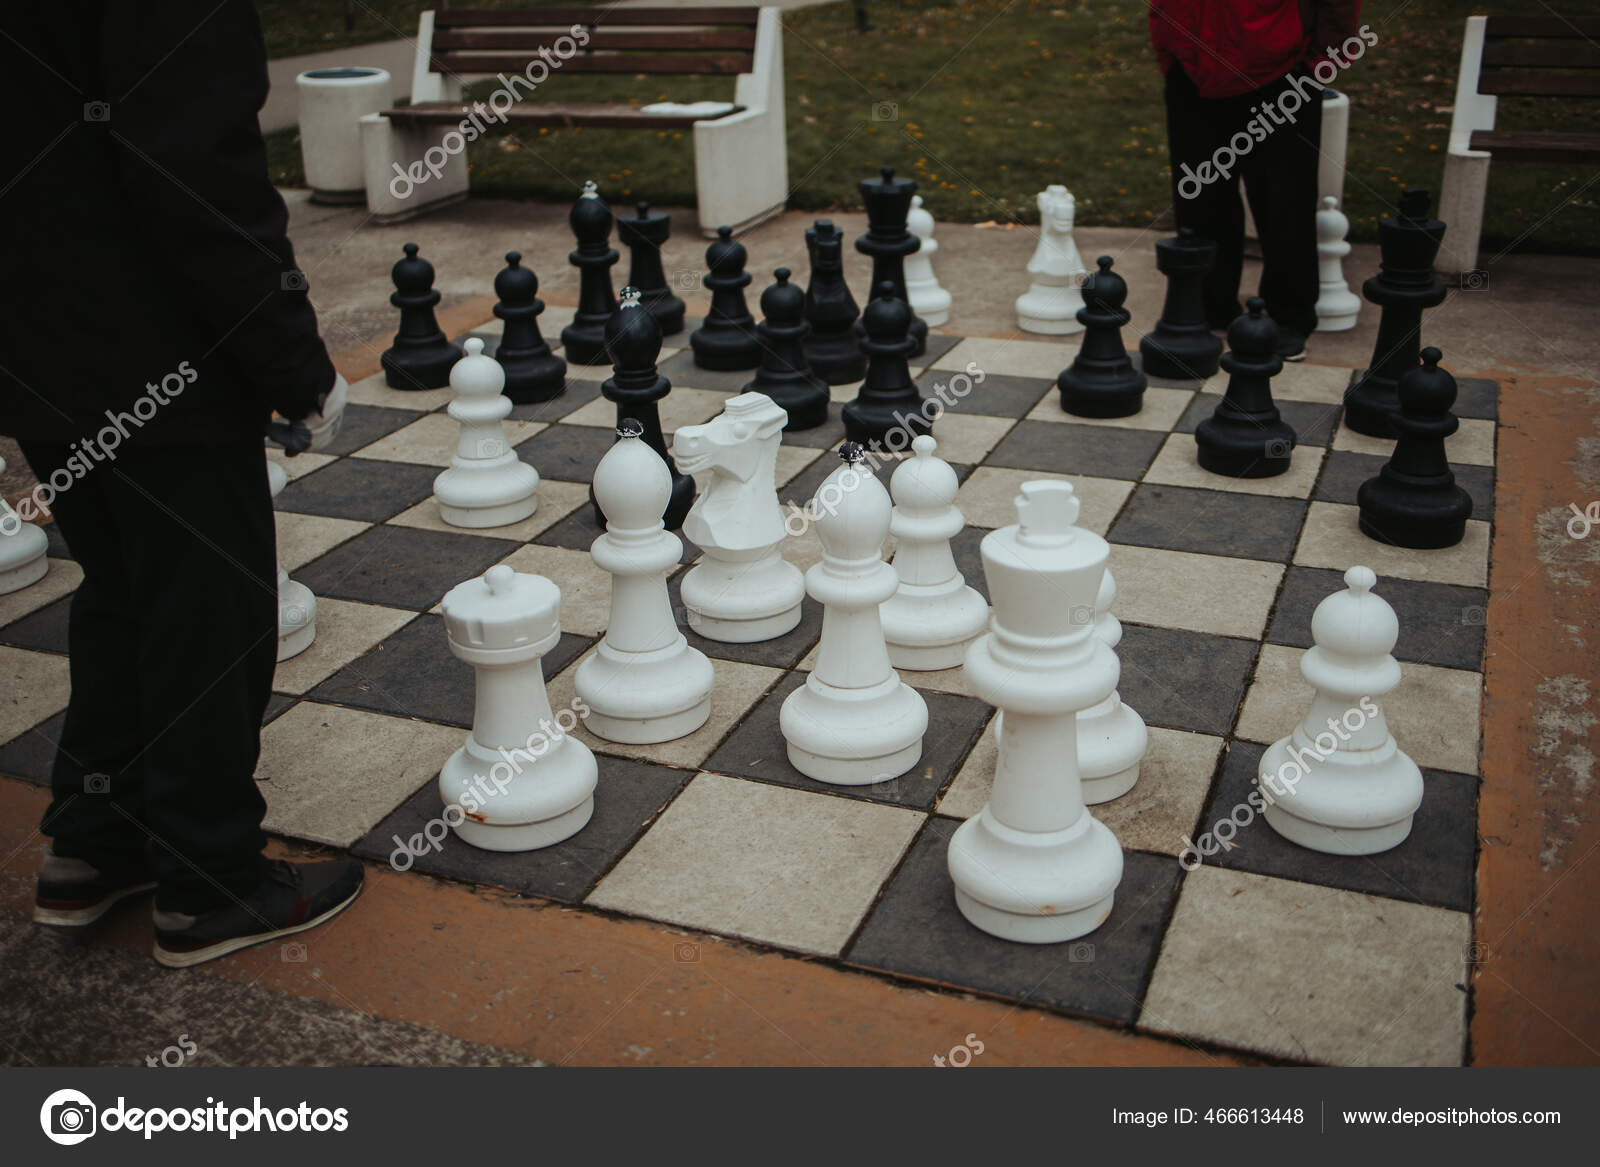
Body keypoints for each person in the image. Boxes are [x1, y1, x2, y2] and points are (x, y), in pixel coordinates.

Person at [0, 1, 363, 967]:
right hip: (155, 349)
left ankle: (94, 842)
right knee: (210, 603)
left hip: (37, 341)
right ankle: (209, 884)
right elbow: (194, 166)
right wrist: (294, 366)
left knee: (124, 589)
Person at [1150, 0, 1366, 359]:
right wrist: (1169, 51)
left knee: (1284, 201)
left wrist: (1317, 64)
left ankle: (1289, 318)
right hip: (1192, 70)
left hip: (1283, 73)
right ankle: (1209, 305)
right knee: (1201, 196)